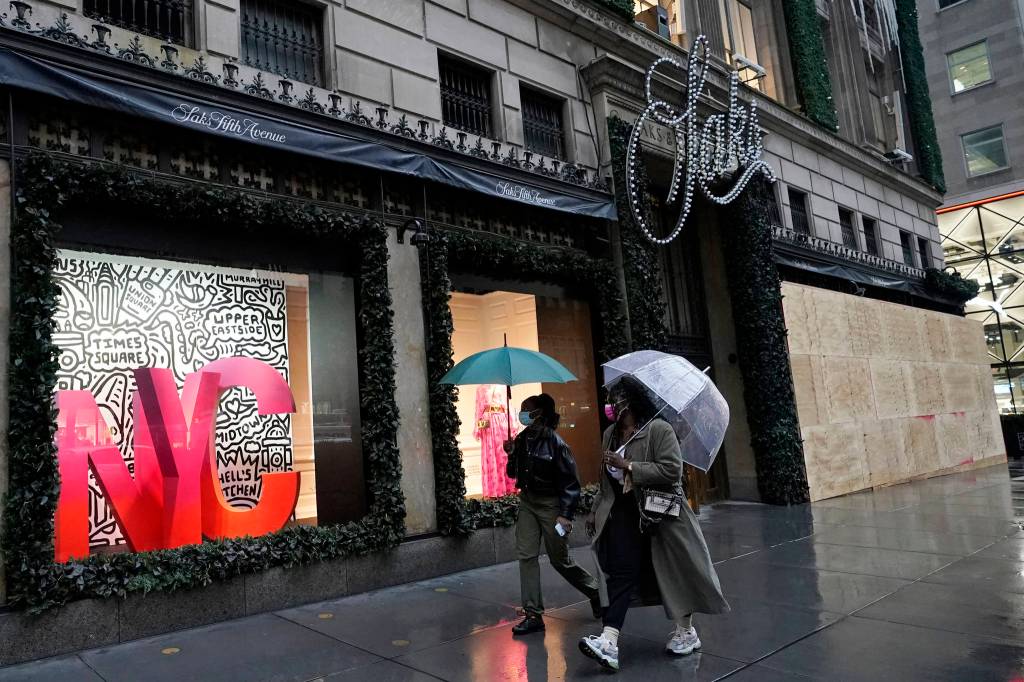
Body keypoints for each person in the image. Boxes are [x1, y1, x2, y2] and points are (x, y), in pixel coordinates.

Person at [579, 377, 729, 672]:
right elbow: (605, 481)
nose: (611, 404)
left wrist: (629, 466)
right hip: (623, 514)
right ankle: (609, 641)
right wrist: (595, 510)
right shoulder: (610, 434)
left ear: (631, 401)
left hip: (659, 516)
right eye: (610, 398)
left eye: (616, 398)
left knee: (671, 571)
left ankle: (686, 630)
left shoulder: (658, 430)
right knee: (621, 572)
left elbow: (672, 470)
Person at [505, 393, 601, 636]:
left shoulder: (556, 444)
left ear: (539, 414)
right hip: (528, 502)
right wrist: (511, 453)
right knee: (526, 556)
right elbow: (512, 474)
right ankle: (533, 614)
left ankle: (596, 592)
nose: (522, 414)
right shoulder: (521, 439)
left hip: (551, 506)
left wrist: (565, 515)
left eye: (527, 409)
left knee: (560, 560)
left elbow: (570, 483)